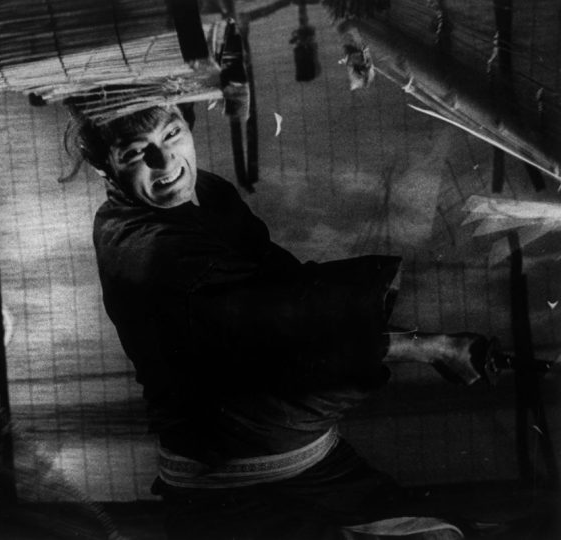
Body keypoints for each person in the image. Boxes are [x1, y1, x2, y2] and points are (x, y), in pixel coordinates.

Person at [64, 95, 493, 539]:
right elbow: (281, 331)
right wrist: (431, 347)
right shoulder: (152, 251)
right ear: (104, 167)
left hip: (298, 452)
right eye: (136, 153)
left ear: (188, 124)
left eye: (172, 134)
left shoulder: (205, 191)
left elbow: (285, 285)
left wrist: (413, 338)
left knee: (446, 532)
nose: (165, 161)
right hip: (228, 474)